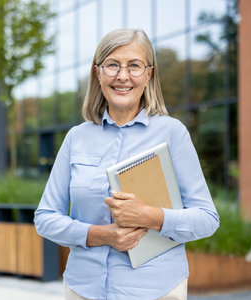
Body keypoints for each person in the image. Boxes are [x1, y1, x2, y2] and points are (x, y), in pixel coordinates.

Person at [34, 28, 219, 300]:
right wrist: (100, 235)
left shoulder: (172, 133)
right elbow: (45, 219)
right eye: (112, 65)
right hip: (84, 290)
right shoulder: (77, 138)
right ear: (98, 74)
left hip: (156, 291)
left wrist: (150, 216)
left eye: (134, 65)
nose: (122, 76)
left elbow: (207, 219)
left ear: (149, 74)